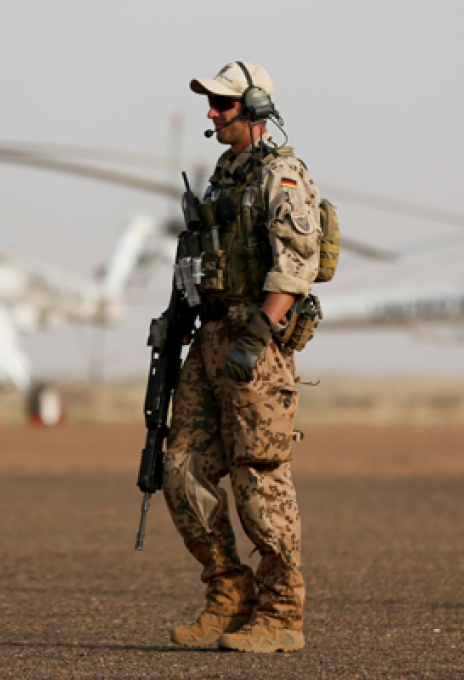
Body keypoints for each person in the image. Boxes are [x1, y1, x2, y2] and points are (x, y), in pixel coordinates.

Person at [163, 61, 321, 653]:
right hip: (210, 336)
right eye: (210, 103)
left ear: (254, 106)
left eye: (223, 104)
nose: (212, 113)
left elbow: (297, 262)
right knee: (180, 469)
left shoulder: (281, 176)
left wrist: (257, 336)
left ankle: (282, 613)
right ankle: (229, 596)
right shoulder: (224, 175)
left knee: (259, 475)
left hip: (255, 342)